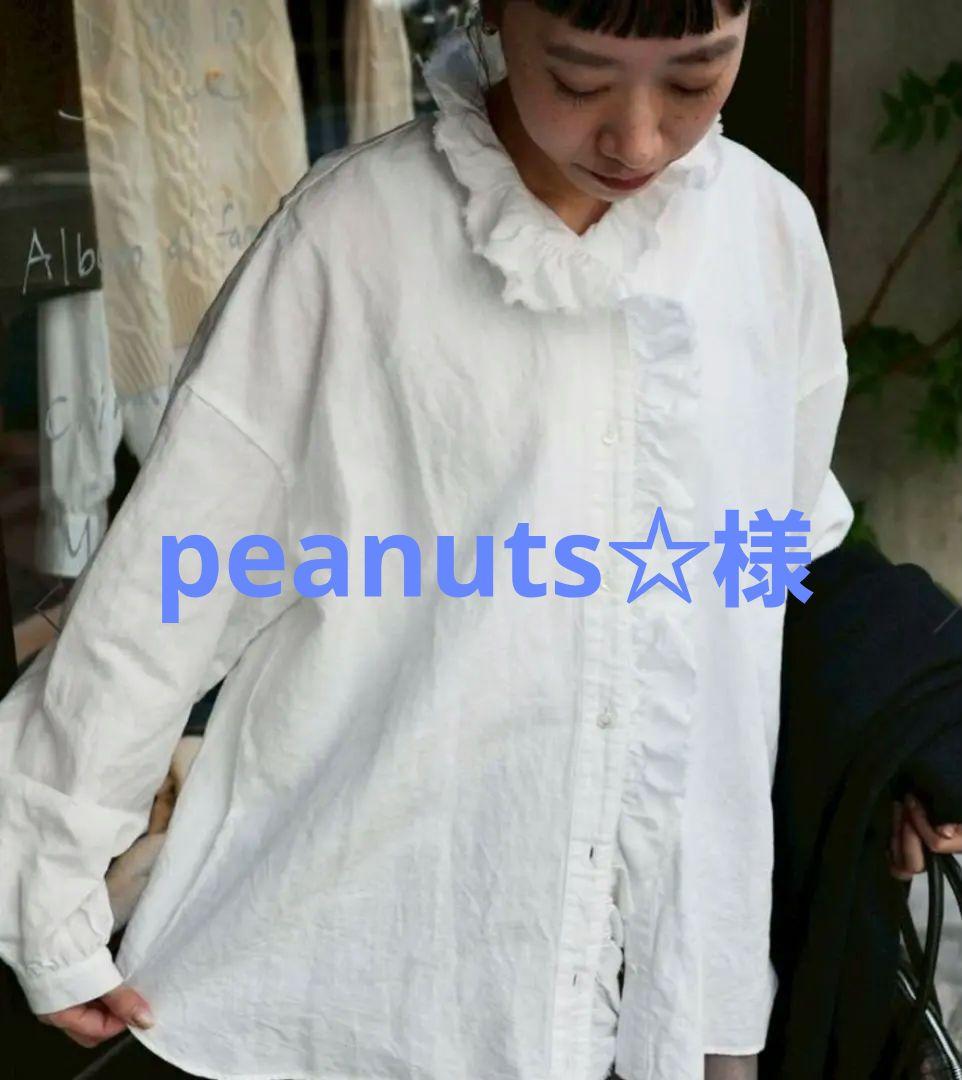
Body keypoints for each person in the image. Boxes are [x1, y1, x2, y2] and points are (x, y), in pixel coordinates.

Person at [1, 2, 957, 1078]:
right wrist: (47, 883)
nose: (637, 136)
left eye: (694, 79)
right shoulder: (353, 236)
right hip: (385, 954)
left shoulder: (768, 234)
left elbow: (781, 538)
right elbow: (172, 579)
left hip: (667, 960)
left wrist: (899, 732)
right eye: (580, 79)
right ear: (499, 13)